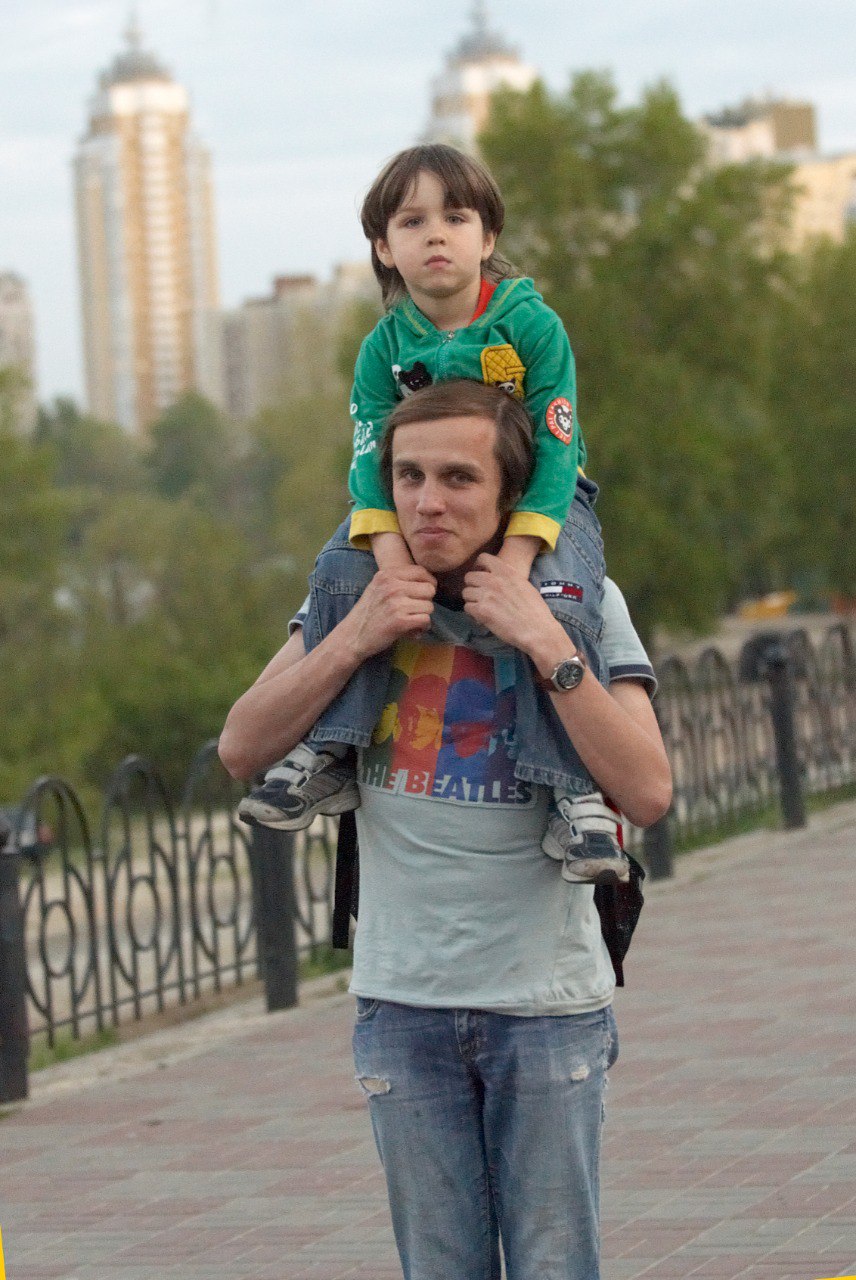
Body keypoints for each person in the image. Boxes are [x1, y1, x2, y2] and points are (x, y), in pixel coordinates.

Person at [220, 380, 672, 1280]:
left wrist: (547, 644)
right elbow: (242, 745)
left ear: (513, 497)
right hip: (402, 1005)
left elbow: (648, 791)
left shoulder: (578, 599)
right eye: (409, 476)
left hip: (545, 1008)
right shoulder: (358, 596)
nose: (428, 501)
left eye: (459, 478)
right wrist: (354, 637)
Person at [238, 143, 623, 886]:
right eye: (412, 222)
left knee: (559, 596)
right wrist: (390, 560)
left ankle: (576, 797)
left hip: (541, 499)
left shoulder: (530, 327)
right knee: (341, 572)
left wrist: (517, 561)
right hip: (418, 502)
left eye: (456, 217)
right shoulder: (383, 347)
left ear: (488, 236)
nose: (436, 235)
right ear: (384, 247)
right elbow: (369, 465)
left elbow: (555, 447)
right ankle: (329, 749)